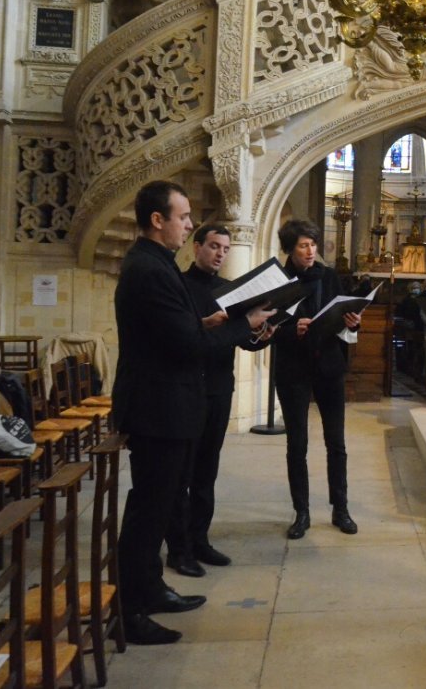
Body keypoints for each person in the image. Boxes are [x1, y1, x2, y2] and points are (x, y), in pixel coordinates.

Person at [114, 181, 275, 645]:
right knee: (148, 513)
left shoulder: (157, 265)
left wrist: (204, 323)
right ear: (158, 220)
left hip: (166, 406)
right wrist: (244, 324)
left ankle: (151, 588)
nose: (189, 224)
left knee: (158, 505)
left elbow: (179, 332)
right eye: (183, 217)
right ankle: (130, 611)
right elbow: (185, 347)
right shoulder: (151, 270)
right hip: (158, 409)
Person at [165, 224, 272, 578]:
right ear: (197, 247)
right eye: (213, 246)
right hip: (187, 390)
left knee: (207, 470)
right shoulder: (180, 286)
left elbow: (243, 341)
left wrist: (261, 333)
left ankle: (200, 540)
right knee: (182, 473)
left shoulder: (227, 292)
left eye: (225, 249)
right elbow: (182, 336)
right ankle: (178, 550)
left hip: (219, 389)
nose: (220, 254)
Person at [273, 219, 364, 540]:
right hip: (292, 369)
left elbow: (342, 316)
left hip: (328, 365)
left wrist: (352, 323)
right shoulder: (278, 280)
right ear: (290, 249)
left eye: (313, 244)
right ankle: (302, 512)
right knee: (297, 444)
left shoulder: (329, 277)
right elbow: (265, 327)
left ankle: (341, 508)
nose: (311, 250)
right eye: (303, 245)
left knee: (336, 442)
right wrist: (290, 329)